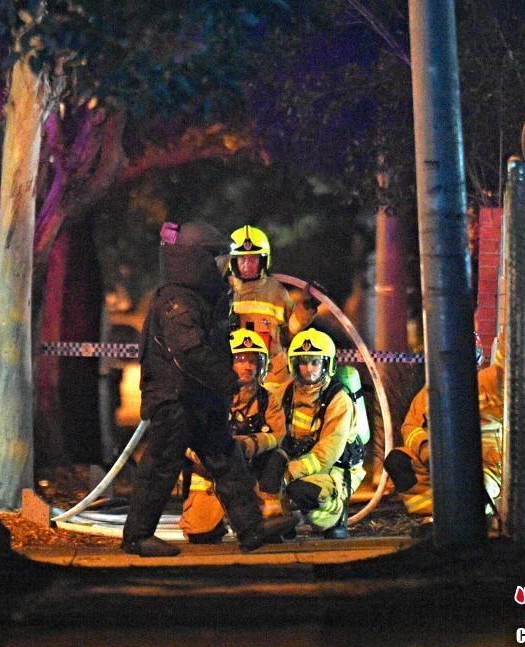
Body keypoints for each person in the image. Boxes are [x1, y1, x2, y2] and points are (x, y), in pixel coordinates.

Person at [121, 221, 299, 557]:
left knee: (227, 460)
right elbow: (190, 352)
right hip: (175, 399)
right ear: (196, 259)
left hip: (199, 397)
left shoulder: (201, 296)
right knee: (160, 466)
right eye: (216, 258)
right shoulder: (177, 301)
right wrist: (227, 381)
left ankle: (251, 529)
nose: (223, 265)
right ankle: (137, 537)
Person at [257, 328, 366, 540]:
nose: (309, 369)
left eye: (315, 362)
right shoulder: (285, 392)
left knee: (301, 492)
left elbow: (327, 454)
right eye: (303, 362)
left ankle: (336, 513)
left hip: (334, 469)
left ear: (328, 365)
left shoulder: (338, 400)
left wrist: (288, 473)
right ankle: (282, 520)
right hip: (297, 463)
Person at [179, 329, 287, 543]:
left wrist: (247, 445)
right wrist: (212, 457)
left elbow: (277, 435)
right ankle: (217, 519)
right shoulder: (207, 397)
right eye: (240, 359)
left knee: (277, 458)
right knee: (200, 534)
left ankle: (269, 517)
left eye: (253, 361)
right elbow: (186, 439)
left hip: (251, 471)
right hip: (211, 474)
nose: (247, 366)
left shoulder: (268, 400)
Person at [383, 336, 506, 518]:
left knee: (476, 492)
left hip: (485, 467)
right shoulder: (432, 391)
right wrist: (427, 449)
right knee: (399, 461)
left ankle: (469, 512)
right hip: (443, 462)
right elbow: (411, 427)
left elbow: (504, 374)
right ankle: (442, 513)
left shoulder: (490, 384)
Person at [227, 225, 317, 396]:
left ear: (263, 261)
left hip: (274, 378)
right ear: (233, 262)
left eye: (253, 259)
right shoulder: (224, 290)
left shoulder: (275, 291)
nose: (247, 265)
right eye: (242, 259)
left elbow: (291, 331)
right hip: (236, 377)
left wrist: (307, 307)